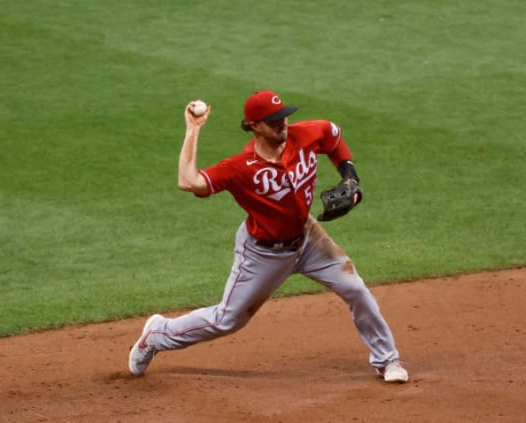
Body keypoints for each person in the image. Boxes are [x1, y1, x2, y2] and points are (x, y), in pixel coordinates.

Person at [128, 90, 408, 383]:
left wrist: (350, 176)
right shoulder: (240, 168)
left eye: (284, 117)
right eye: (273, 121)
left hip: (309, 238)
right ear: (255, 126)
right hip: (263, 253)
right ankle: (157, 335)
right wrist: (193, 129)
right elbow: (189, 181)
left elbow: (332, 134)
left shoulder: (305, 135)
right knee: (227, 320)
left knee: (356, 289)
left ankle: (387, 360)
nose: (283, 124)